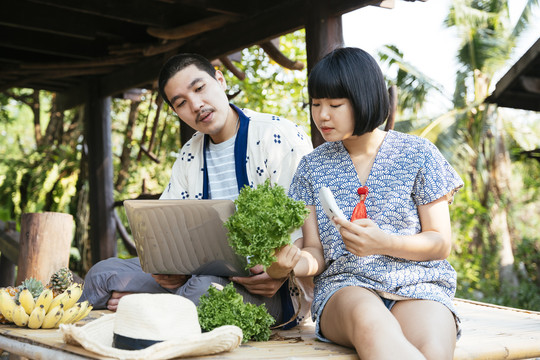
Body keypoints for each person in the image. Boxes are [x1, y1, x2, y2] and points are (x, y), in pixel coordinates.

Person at [81, 53, 314, 328]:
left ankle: (146, 305)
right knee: (102, 274)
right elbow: (167, 229)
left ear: (220, 79)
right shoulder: (189, 154)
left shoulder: (277, 136)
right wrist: (168, 269)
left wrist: (276, 271)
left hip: (272, 290)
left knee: (203, 290)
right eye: (181, 103)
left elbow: (306, 228)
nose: (196, 105)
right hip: (198, 277)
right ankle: (151, 307)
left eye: (199, 88)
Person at [267, 47, 463, 359]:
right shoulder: (311, 167)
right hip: (345, 289)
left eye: (335, 104)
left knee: (434, 350)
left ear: (364, 99)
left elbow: (440, 243)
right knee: (372, 325)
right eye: (316, 104)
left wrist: (384, 242)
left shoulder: (419, 153)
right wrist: (291, 265)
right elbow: (315, 253)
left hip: (419, 286)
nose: (322, 115)